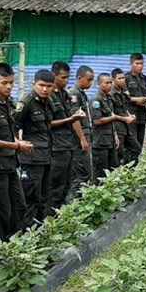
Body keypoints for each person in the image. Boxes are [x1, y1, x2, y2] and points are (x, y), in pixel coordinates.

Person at [0, 63, 30, 244]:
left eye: (11, 83)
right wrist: (15, 145)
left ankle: (14, 243)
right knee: (1, 210)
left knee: (19, 206)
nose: (9, 87)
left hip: (11, 164)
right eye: (4, 82)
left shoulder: (9, 104)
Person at [16, 70, 55, 228]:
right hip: (31, 158)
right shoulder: (26, 103)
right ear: (34, 84)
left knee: (43, 197)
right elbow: (14, 126)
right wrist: (18, 146)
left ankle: (38, 230)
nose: (45, 89)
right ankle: (26, 234)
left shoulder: (48, 101)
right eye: (41, 85)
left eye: (48, 86)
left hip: (46, 156)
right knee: (30, 197)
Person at [45, 62, 84, 211]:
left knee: (66, 183)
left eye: (68, 77)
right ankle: (49, 218)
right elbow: (48, 123)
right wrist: (71, 119)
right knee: (55, 185)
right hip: (56, 147)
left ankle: (60, 214)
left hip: (68, 144)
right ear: (54, 76)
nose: (66, 81)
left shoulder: (65, 94)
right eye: (63, 77)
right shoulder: (48, 97)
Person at [90, 73, 122, 178]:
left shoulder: (108, 98)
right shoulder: (96, 100)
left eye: (110, 83)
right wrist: (114, 117)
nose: (109, 85)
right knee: (100, 173)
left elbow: (110, 120)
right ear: (99, 84)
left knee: (113, 168)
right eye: (106, 83)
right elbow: (97, 121)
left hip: (110, 140)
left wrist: (115, 135)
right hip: (100, 142)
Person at [70, 66, 95, 190]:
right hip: (79, 139)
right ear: (79, 78)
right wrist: (82, 139)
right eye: (88, 80)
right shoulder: (74, 94)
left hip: (85, 135)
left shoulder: (81, 94)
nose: (90, 83)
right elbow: (75, 119)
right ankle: (74, 203)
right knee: (83, 173)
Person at [125, 53, 146, 166]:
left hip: (142, 116)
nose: (140, 66)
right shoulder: (125, 78)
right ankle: (127, 169)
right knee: (131, 144)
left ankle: (134, 169)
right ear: (131, 64)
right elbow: (122, 96)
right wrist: (136, 100)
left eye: (142, 64)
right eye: (137, 64)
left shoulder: (144, 78)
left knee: (139, 145)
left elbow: (145, 95)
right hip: (130, 115)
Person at [111, 68, 137, 166]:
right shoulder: (111, 93)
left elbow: (124, 105)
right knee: (119, 153)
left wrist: (129, 115)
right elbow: (111, 113)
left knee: (136, 148)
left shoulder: (123, 89)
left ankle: (129, 171)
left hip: (125, 126)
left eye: (123, 78)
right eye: (120, 78)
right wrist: (125, 118)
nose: (122, 80)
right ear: (113, 79)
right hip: (118, 127)